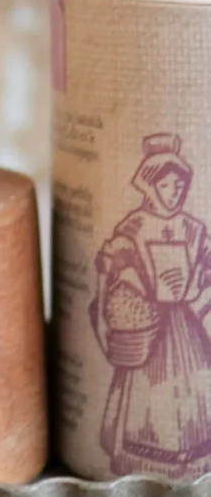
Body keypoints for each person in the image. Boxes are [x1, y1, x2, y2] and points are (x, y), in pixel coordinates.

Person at [91, 133, 211, 476]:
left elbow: (207, 261)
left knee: (195, 385)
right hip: (149, 324)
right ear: (152, 186)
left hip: (184, 323)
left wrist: (199, 290)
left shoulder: (193, 227)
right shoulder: (135, 226)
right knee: (150, 388)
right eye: (168, 185)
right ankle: (150, 457)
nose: (175, 191)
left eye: (179, 185)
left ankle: (193, 456)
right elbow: (110, 267)